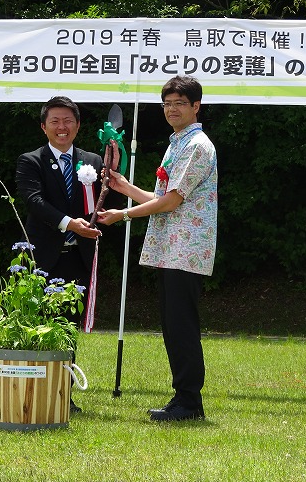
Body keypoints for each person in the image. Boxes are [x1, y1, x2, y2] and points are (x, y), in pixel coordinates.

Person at [98, 75, 218, 421]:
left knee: (181, 326)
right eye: (167, 103)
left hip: (186, 250)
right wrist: (122, 185)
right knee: (173, 324)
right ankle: (182, 398)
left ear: (196, 106)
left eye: (180, 103)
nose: (171, 109)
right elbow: (159, 198)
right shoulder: (176, 143)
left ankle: (189, 403)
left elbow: (171, 202)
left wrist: (122, 214)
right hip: (171, 249)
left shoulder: (197, 146)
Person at [16, 95, 105, 412]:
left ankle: (61, 396)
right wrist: (69, 223)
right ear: (44, 127)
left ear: (78, 125)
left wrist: (101, 216)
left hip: (77, 257)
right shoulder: (31, 161)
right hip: (42, 258)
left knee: (68, 328)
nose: (62, 127)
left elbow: (95, 204)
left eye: (68, 120)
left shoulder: (93, 161)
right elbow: (33, 201)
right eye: (54, 121)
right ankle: (33, 393)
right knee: (37, 325)